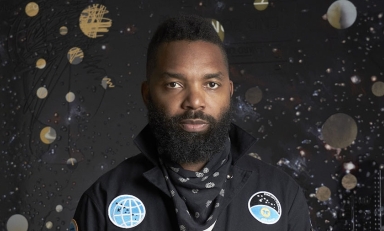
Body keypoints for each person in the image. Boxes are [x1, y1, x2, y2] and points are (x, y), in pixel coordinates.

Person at [72, 15, 311, 231]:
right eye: (174, 84)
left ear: (228, 93)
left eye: (211, 85)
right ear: (147, 94)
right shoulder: (103, 200)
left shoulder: (283, 196)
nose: (195, 102)